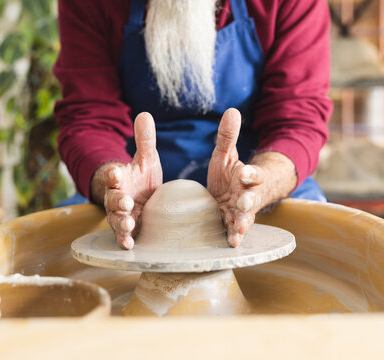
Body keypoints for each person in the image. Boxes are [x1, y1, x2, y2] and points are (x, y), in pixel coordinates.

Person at [54, 0, 332, 250]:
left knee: (322, 249)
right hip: (136, 176)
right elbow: (89, 116)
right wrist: (114, 185)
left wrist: (260, 185)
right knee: (60, 253)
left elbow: (297, 117)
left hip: (248, 171)